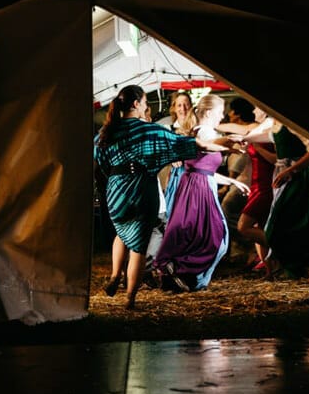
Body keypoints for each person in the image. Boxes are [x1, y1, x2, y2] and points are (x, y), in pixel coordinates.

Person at [94, 85, 240, 309]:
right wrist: (225, 145)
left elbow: (100, 160)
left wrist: (116, 178)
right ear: (136, 104)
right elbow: (190, 144)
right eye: (144, 102)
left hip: (115, 189)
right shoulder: (149, 131)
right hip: (143, 188)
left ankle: (115, 276)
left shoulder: (105, 133)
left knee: (121, 233)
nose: (146, 107)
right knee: (139, 246)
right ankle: (130, 299)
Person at [151, 94, 249, 292]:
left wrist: (231, 181)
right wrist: (229, 142)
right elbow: (209, 143)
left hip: (202, 184)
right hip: (198, 189)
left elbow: (205, 169)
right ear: (210, 112)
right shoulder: (204, 131)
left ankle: (184, 275)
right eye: (220, 112)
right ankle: (183, 273)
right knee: (212, 236)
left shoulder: (206, 131)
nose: (222, 116)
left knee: (203, 235)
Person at [238, 116, 309, 303]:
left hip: (301, 179)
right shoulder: (278, 124)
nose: (256, 109)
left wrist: (290, 171)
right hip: (287, 178)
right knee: (290, 231)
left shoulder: (293, 123)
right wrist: (243, 138)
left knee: (281, 231)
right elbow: (265, 136)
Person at [218, 106, 279, 278]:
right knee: (258, 226)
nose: (253, 109)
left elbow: (277, 159)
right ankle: (270, 270)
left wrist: (256, 147)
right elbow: (246, 134)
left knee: (243, 226)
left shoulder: (271, 125)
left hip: (266, 184)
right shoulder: (261, 126)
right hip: (256, 184)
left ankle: (283, 247)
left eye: (257, 106)